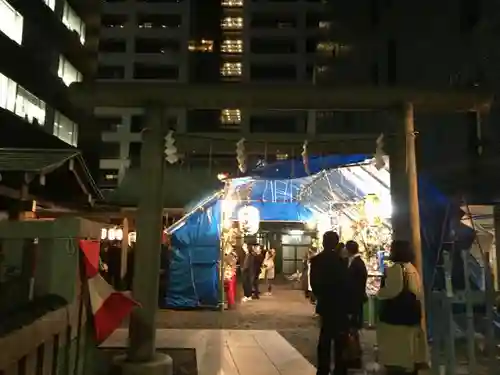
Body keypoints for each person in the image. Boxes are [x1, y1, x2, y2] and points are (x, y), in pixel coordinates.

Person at [377, 240, 428, 375]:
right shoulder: (412, 268)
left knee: (397, 356)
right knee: (410, 352)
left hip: (396, 319)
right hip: (411, 316)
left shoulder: (395, 269)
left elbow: (392, 290)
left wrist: (380, 293)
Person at [310, 231, 350, 375]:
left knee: (325, 337)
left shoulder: (316, 261)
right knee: (340, 339)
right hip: (339, 304)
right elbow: (346, 284)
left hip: (325, 303)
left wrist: (321, 295)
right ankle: (340, 368)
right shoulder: (341, 261)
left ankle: (323, 369)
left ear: (323, 242)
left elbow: (314, 284)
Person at [345, 240, 368, 369]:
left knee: (352, 329)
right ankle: (353, 355)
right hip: (354, 300)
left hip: (354, 301)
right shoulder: (355, 262)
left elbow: (354, 285)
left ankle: (354, 357)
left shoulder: (357, 264)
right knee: (352, 330)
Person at [346, 240, 368, 330]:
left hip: (355, 295)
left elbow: (360, 279)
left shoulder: (358, 263)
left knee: (354, 321)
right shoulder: (352, 261)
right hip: (353, 295)